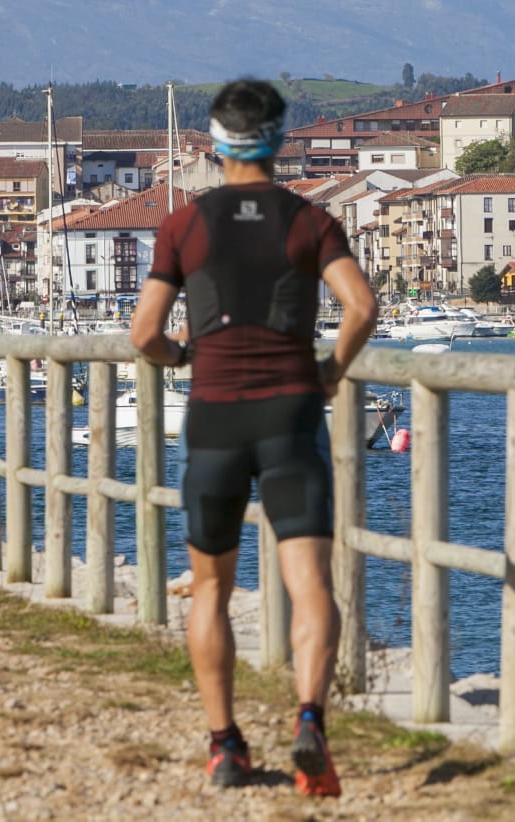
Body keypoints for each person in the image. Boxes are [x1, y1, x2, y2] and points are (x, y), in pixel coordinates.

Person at [129, 78, 378, 796]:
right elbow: (361, 306)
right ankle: (309, 723)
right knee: (309, 585)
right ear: (278, 140)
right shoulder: (310, 222)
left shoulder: (185, 225)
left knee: (210, 588)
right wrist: (331, 370)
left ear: (214, 142)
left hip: (215, 416)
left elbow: (144, 333)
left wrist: (184, 357)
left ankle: (225, 746)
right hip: (291, 415)